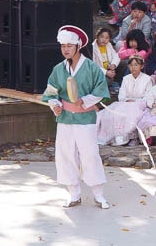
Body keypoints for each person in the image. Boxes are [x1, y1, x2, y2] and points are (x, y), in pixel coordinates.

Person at [42, 25, 110, 209]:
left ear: (78, 46)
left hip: (85, 118)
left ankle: (98, 194)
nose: (65, 49)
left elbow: (101, 91)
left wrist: (85, 101)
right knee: (66, 155)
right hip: (65, 119)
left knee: (89, 154)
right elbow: (50, 92)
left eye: (69, 46)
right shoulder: (58, 69)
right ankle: (74, 193)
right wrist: (54, 105)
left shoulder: (91, 68)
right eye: (63, 45)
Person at [96, 54, 152, 146]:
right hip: (126, 102)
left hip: (140, 103)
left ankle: (131, 137)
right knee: (113, 113)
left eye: (136, 65)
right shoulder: (126, 79)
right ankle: (119, 136)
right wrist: (127, 100)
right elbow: (122, 95)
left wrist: (136, 101)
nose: (133, 67)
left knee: (133, 112)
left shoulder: (147, 79)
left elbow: (148, 96)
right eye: (131, 65)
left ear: (141, 66)